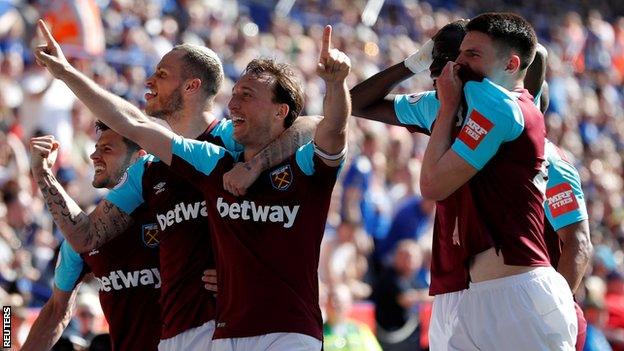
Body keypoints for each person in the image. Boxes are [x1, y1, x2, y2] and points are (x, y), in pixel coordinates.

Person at [34, 18, 350, 350]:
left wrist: (255, 165)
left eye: (162, 74)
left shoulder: (230, 140)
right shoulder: (161, 167)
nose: (150, 80)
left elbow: (315, 126)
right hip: (178, 334)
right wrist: (65, 75)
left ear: (191, 86)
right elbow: (87, 235)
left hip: (230, 325)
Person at [352, 14, 584, 350]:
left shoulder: (510, 116)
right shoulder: (443, 106)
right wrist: (417, 61)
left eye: (469, 56)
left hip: (515, 289)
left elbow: (577, 241)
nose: (452, 68)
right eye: (454, 56)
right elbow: (357, 102)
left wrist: (561, 301)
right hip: (459, 291)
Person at [22, 122, 161, 351]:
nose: (94, 155)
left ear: (139, 157)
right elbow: (57, 311)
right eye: (96, 147)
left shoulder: (170, 212)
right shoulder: (80, 237)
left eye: (107, 149)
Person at [323, 284, 382, 351]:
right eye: (333, 300)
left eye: (340, 302)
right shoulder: (318, 333)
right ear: (326, 303)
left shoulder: (360, 330)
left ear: (349, 305)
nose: (335, 305)